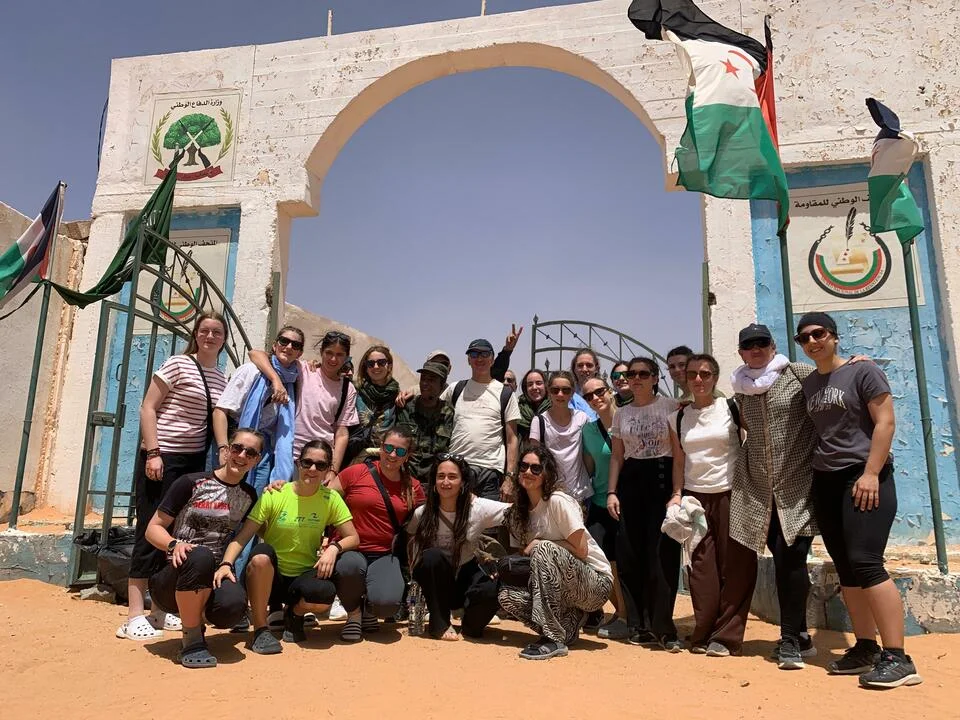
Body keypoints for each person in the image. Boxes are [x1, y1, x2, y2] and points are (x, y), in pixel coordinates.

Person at [796, 312, 921, 689]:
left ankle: (898, 657)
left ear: (834, 336)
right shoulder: (810, 382)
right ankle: (865, 647)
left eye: (819, 333)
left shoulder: (863, 371)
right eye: (804, 337)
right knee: (846, 567)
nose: (812, 341)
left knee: (866, 562)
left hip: (864, 475)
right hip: (826, 480)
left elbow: (885, 422)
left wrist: (870, 473)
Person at [117, 311, 228, 642]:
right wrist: (153, 452)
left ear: (224, 339)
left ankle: (159, 608)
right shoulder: (178, 364)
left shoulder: (220, 377)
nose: (210, 336)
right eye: (205, 330)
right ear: (196, 334)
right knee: (150, 527)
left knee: (177, 533)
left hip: (193, 461)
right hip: (163, 457)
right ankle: (133, 614)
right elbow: (148, 407)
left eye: (217, 332)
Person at [729, 322, 820, 669]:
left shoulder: (798, 374)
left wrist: (857, 363)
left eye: (762, 343)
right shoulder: (740, 389)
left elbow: (834, 384)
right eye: (749, 345)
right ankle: (801, 633)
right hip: (758, 489)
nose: (756, 349)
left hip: (797, 485)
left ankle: (789, 640)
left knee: (790, 558)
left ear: (773, 345)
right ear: (741, 352)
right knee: (782, 557)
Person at [215, 440, 360, 654]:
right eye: (307, 462)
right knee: (260, 556)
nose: (312, 469)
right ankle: (260, 629)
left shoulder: (330, 499)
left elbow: (353, 537)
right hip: (271, 577)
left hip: (303, 575)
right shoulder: (276, 493)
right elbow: (243, 536)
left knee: (324, 595)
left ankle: (294, 613)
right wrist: (226, 564)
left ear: (328, 470)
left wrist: (333, 548)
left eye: (320, 465)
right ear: (298, 464)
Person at [143, 428, 262, 668]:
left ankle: (197, 615)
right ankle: (192, 637)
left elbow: (242, 537)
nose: (242, 455)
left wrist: (227, 564)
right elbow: (152, 529)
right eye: (237, 448)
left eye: (250, 453)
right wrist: (174, 544)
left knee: (234, 606)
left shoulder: (249, 496)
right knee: (200, 556)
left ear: (256, 460)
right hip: (173, 577)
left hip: (212, 574)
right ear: (227, 451)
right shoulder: (190, 483)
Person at [667, 354, 756, 657]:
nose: (698, 380)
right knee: (701, 568)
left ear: (715, 377)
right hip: (695, 500)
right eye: (692, 374)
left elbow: (756, 439)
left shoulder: (731, 407)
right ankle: (703, 631)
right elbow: (679, 461)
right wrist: (676, 494)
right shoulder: (678, 418)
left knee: (737, 565)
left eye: (705, 374)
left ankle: (727, 637)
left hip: (732, 494)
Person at [499, 445, 613, 660]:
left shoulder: (557, 501)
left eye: (535, 468)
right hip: (561, 591)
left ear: (547, 473)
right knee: (507, 597)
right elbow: (526, 557)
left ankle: (552, 639)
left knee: (543, 548)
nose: (528, 472)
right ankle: (566, 627)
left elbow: (582, 549)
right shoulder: (517, 513)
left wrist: (542, 543)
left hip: (595, 584)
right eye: (523, 466)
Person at [607, 357, 681, 651]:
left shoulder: (670, 407)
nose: (635, 378)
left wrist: (677, 492)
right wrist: (612, 492)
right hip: (631, 483)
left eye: (642, 373)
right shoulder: (621, 414)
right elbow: (617, 456)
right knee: (630, 555)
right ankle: (638, 624)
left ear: (655, 377)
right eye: (631, 374)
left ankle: (663, 626)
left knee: (661, 555)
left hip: (662, 480)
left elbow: (679, 454)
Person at [328, 427, 425, 641]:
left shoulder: (413, 487)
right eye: (388, 448)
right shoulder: (356, 472)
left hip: (384, 554)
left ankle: (369, 609)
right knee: (349, 567)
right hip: (350, 548)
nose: (393, 455)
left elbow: (427, 518)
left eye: (400, 451)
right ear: (380, 447)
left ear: (407, 456)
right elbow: (323, 499)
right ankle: (354, 614)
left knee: (387, 605)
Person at [407, 454, 508, 640]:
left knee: (493, 586)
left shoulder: (477, 508)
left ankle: (470, 624)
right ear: (434, 481)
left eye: (452, 477)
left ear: (463, 482)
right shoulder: (422, 513)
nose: (446, 482)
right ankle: (439, 623)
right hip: (436, 581)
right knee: (431, 557)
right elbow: (408, 538)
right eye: (441, 476)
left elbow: (514, 512)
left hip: (465, 573)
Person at [250, 330, 359, 473]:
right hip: (289, 455)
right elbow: (255, 354)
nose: (333, 359)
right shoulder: (303, 369)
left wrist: (333, 470)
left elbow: (342, 433)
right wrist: (276, 380)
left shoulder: (347, 388)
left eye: (339, 355)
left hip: (320, 462)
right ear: (321, 352)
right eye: (329, 353)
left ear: (346, 357)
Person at [213, 326, 303, 494]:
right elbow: (220, 411)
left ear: (300, 353)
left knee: (253, 496)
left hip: (262, 450)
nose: (289, 347)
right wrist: (223, 448)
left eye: (295, 345)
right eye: (284, 341)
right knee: (220, 495)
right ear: (275, 345)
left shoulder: (294, 380)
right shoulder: (251, 370)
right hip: (234, 445)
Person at [580, 376, 629, 640]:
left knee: (623, 561)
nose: (595, 398)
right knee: (597, 559)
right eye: (588, 396)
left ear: (609, 391)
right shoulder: (588, 431)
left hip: (627, 501)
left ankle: (627, 615)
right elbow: (589, 468)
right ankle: (622, 612)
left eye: (599, 392)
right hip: (600, 501)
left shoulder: (629, 420)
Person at [442, 339, 521, 500]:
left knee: (489, 518)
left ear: (492, 359)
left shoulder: (505, 394)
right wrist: (408, 395)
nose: (479, 358)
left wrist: (510, 478)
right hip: (457, 469)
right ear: (468, 360)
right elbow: (430, 405)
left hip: (490, 474)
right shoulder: (456, 389)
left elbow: (512, 440)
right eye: (474, 354)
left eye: (485, 354)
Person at [528, 371, 591, 504]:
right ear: (549, 392)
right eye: (555, 390)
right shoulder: (539, 421)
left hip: (581, 493)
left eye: (566, 390)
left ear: (572, 393)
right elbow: (534, 459)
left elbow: (589, 453)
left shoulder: (582, 418)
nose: (560, 394)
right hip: (551, 493)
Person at [389, 360, 455, 484]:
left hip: (434, 482)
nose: (425, 383)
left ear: (441, 386)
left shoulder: (449, 414)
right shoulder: (404, 407)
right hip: (404, 479)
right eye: (423, 379)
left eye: (431, 380)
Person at [347, 344, 401, 464]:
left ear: (389, 366)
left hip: (385, 459)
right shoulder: (354, 390)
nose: (376, 367)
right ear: (366, 368)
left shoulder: (397, 396)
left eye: (381, 362)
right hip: (355, 458)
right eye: (371, 363)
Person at [517, 369, 550, 442]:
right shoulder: (517, 410)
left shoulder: (554, 409)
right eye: (530, 384)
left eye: (539, 383)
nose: (534, 387)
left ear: (545, 386)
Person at [569, 348, 600, 419]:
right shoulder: (567, 394)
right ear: (574, 369)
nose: (584, 369)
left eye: (589, 365)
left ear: (597, 369)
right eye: (580, 365)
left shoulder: (606, 394)